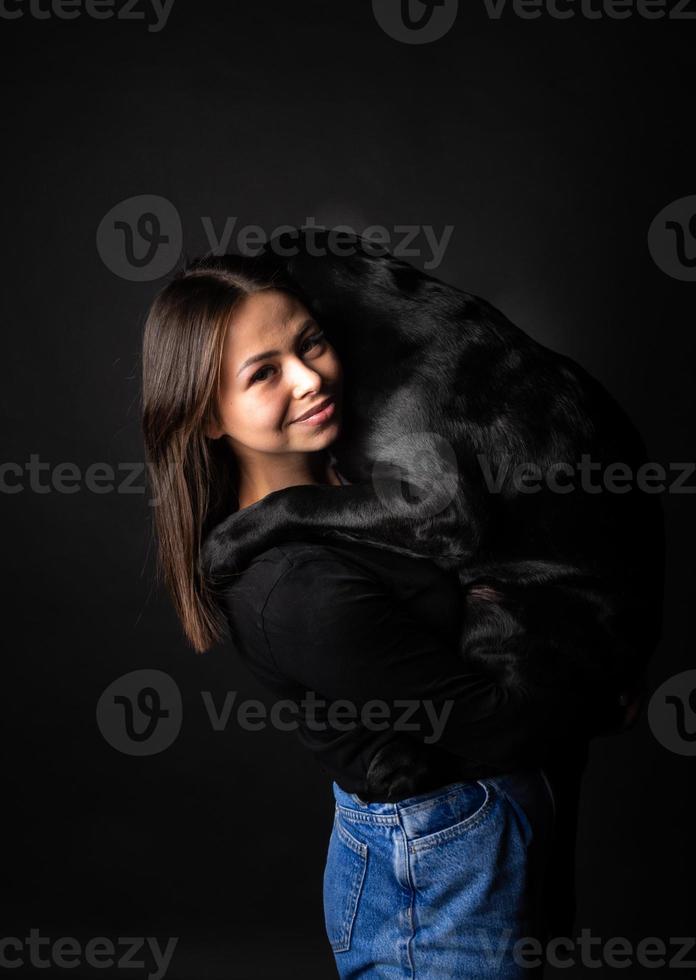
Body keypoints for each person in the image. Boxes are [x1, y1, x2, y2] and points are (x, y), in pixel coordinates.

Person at [141, 251, 573, 978]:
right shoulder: (296, 588)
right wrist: (593, 681)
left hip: (478, 846)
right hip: (440, 875)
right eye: (263, 373)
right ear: (209, 416)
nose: (309, 378)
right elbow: (499, 721)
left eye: (309, 343)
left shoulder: (365, 471)